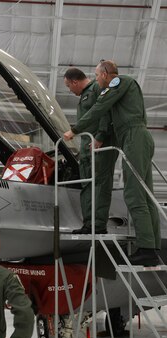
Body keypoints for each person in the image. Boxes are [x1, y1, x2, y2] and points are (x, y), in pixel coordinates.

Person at [64, 60, 161, 266]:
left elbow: (100, 107)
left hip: (134, 137)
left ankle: (147, 248)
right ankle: (151, 247)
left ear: (106, 74)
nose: (96, 80)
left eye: (98, 76)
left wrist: (75, 129)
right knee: (144, 193)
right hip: (133, 138)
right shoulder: (118, 87)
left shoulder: (119, 82)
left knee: (134, 193)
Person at [64, 67, 118, 234]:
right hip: (88, 149)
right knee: (87, 186)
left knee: (100, 185)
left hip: (98, 147)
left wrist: (100, 136)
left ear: (74, 81)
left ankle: (98, 225)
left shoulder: (96, 88)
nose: (69, 89)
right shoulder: (86, 94)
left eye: (68, 86)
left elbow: (104, 111)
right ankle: (89, 224)